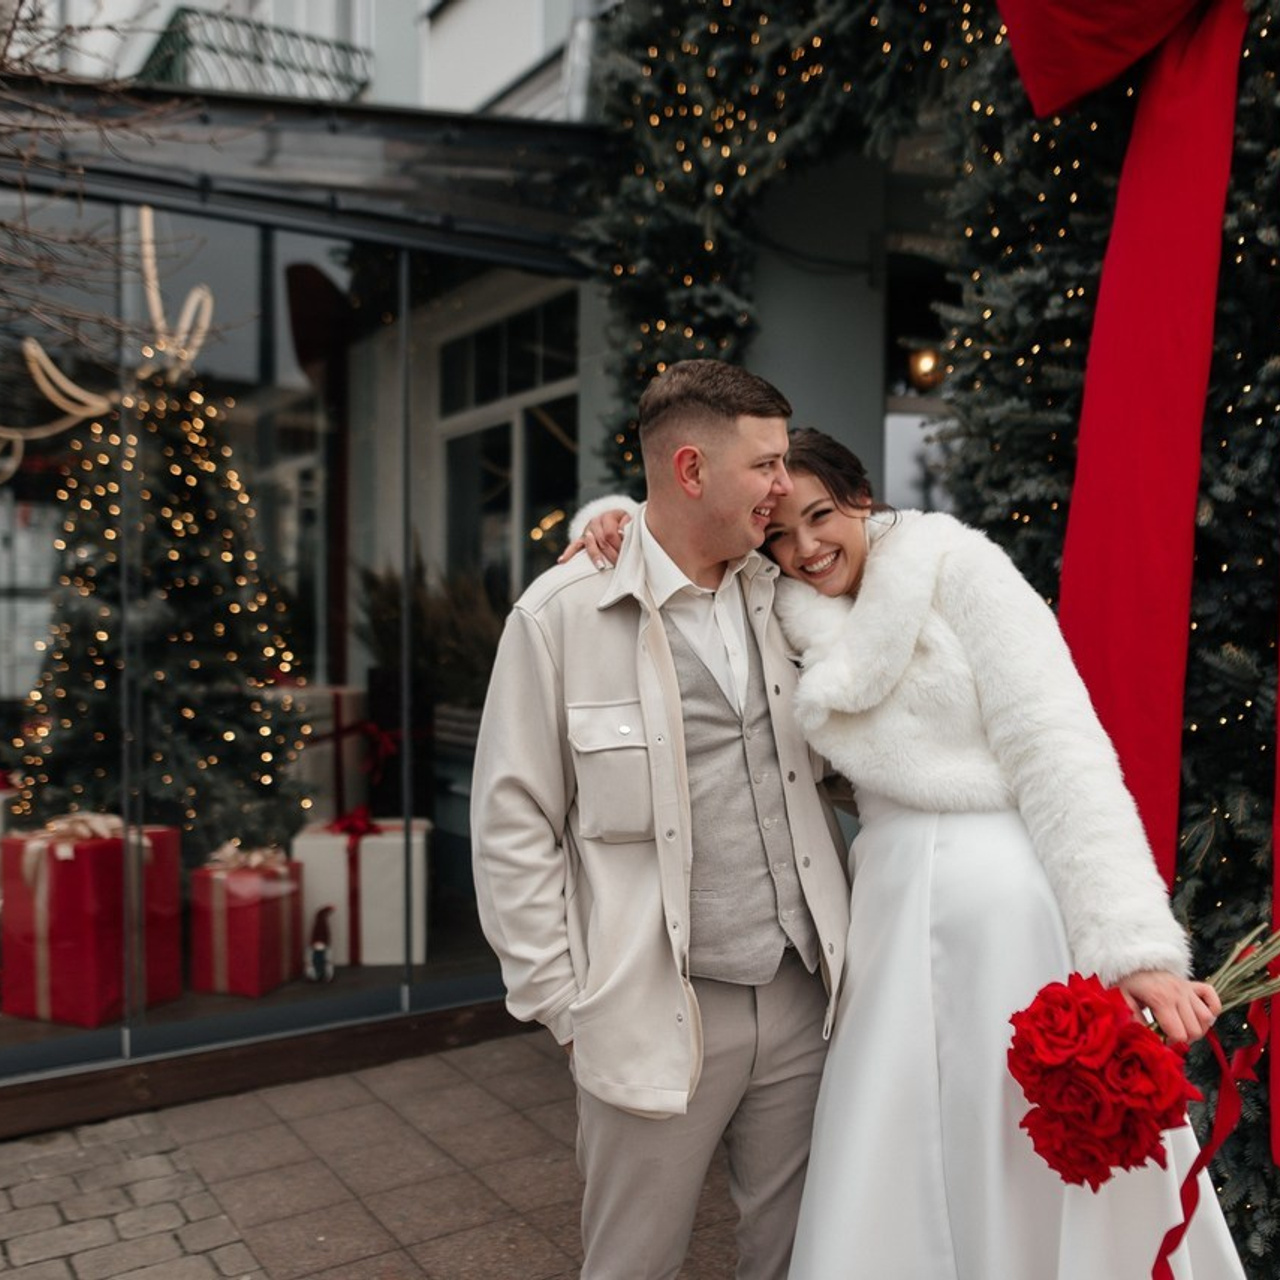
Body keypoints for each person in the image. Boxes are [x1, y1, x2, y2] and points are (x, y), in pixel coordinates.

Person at [573, 427, 1246, 1279]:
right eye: (779, 535)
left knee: (1021, 1140)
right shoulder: (775, 606)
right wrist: (614, 521)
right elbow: (684, 557)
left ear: (862, 497)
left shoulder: (962, 569)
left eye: (821, 516)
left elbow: (1061, 752)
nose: (807, 548)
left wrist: (1136, 950)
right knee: (888, 1145)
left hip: (1006, 904)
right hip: (883, 910)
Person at [470, 361, 852, 1280]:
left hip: (806, 993)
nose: (782, 484)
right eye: (762, 465)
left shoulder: (788, 593)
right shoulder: (558, 617)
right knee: (632, 1263)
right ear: (690, 470)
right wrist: (565, 1005)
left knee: (796, 1256)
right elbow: (511, 820)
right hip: (653, 1006)